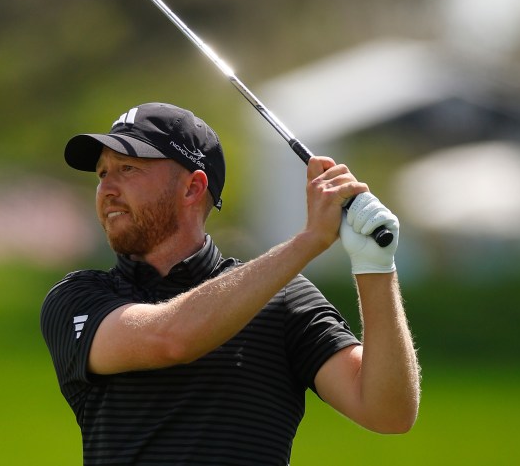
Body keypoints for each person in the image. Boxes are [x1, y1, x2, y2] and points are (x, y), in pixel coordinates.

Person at [40, 102, 420, 465]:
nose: (107, 189)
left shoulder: (285, 300)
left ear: (192, 188)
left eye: (127, 169)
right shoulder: (78, 298)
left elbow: (388, 413)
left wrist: (375, 266)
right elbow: (170, 339)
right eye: (102, 173)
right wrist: (309, 241)